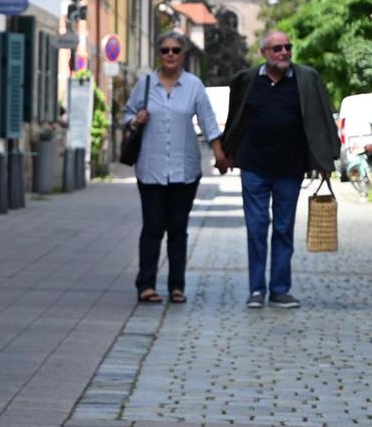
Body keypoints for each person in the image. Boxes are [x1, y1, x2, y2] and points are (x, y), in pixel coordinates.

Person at [218, 30, 340, 309]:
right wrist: (225, 153)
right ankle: (257, 290)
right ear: (264, 53)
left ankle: (280, 289)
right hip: (253, 167)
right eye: (277, 48)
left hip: (290, 167)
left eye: (287, 47)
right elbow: (234, 119)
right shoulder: (247, 80)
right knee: (257, 226)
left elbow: (322, 117)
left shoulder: (306, 78)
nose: (284, 52)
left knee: (284, 228)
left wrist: (325, 160)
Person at [122, 31, 228, 305]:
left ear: (183, 55)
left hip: (185, 169)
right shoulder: (144, 84)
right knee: (153, 227)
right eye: (165, 50)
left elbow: (208, 122)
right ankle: (145, 284)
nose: (170, 54)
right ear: (158, 54)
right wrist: (136, 121)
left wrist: (220, 156)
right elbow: (127, 114)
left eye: (176, 50)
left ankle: (176, 286)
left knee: (178, 229)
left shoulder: (194, 85)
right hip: (151, 168)